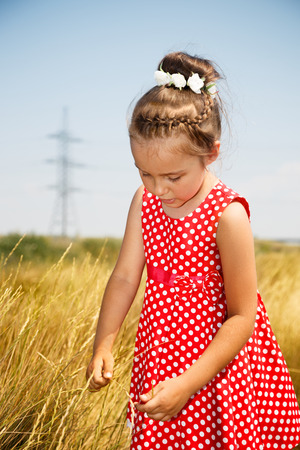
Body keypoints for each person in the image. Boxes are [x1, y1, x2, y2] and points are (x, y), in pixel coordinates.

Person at [86, 52, 300, 450]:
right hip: (162, 362)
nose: (157, 189)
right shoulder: (143, 201)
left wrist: (188, 383)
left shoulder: (228, 216)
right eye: (143, 172)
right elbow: (125, 276)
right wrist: (104, 343)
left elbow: (241, 317)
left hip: (218, 371)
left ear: (210, 153)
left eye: (172, 176)